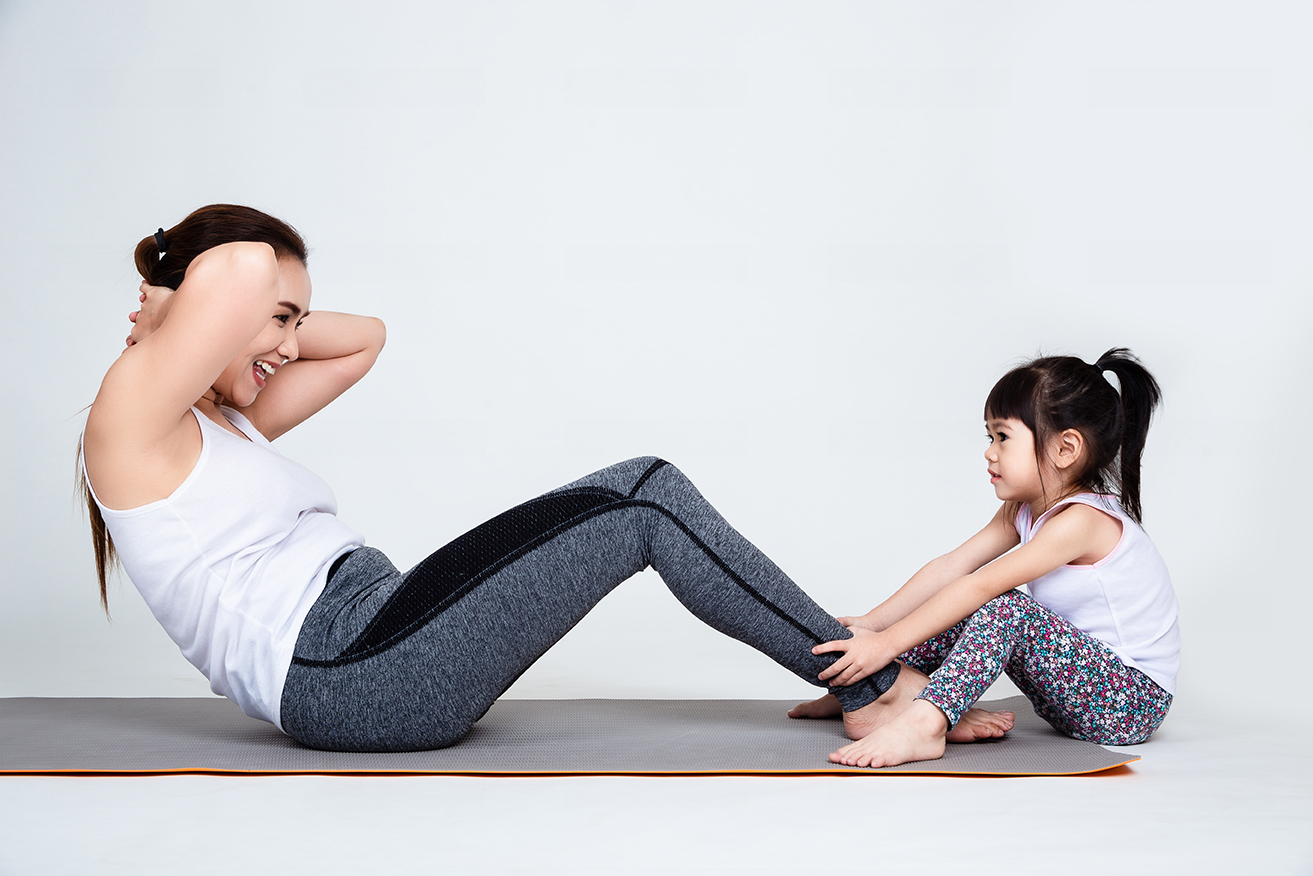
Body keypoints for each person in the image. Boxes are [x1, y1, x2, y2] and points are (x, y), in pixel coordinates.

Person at [81, 203, 975, 753]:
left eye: (293, 323)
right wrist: (170, 299)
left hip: (375, 633)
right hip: (347, 672)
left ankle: (843, 672)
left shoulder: (221, 421)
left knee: (637, 492)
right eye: (277, 321)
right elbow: (237, 268)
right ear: (210, 303)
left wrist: (254, 315)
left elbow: (364, 339)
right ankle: (868, 689)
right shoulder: (130, 422)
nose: (288, 345)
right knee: (643, 493)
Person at [788, 349, 1180, 768]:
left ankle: (927, 723)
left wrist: (885, 645)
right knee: (957, 603)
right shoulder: (1025, 509)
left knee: (1003, 606)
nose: (990, 452)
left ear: (1065, 448)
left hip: (1129, 703)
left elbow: (980, 587)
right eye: (988, 437)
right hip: (1076, 693)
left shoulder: (1082, 521)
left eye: (1003, 437)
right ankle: (874, 688)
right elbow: (952, 567)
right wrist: (871, 624)